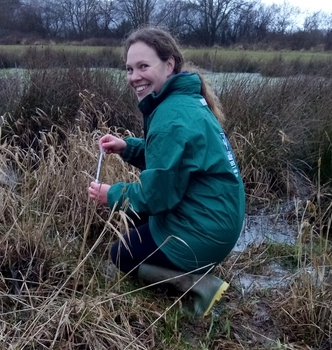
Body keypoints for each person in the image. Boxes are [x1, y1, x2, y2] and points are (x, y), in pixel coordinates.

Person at [88, 26, 245, 318]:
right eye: (129, 68)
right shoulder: (183, 102)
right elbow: (170, 162)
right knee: (134, 220)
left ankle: (199, 283)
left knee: (120, 254)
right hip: (218, 221)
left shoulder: (170, 117)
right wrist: (126, 147)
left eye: (143, 66)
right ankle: (191, 262)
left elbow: (157, 195)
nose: (134, 77)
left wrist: (111, 194)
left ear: (169, 64)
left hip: (205, 230)